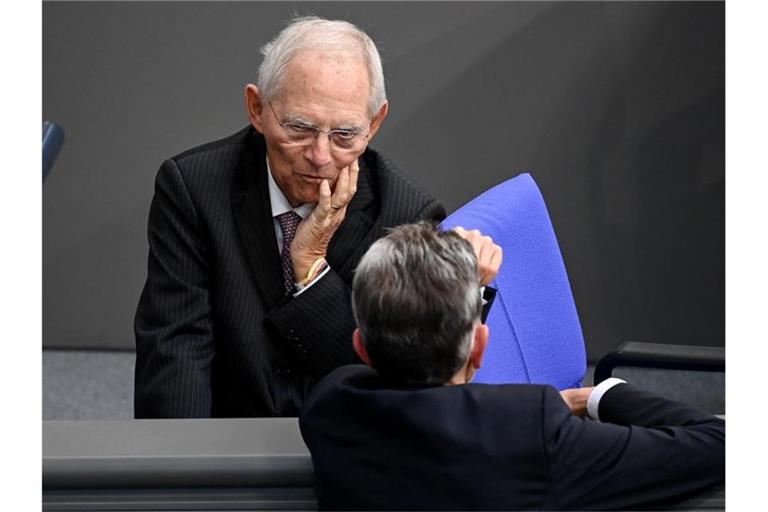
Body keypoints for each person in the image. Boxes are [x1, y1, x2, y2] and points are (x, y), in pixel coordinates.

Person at [133, 16, 501, 418]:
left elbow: (399, 384)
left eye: (344, 134)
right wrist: (185, 472)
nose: (320, 156)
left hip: (348, 451)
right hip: (223, 440)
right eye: (300, 128)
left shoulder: (406, 213)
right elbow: (177, 354)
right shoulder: (193, 188)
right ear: (257, 108)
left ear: (374, 124)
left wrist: (311, 270)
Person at [299, 222, 725, 511]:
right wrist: (598, 394)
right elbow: (723, 443)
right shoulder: (532, 429)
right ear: (480, 347)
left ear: (362, 347)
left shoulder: (330, 406)